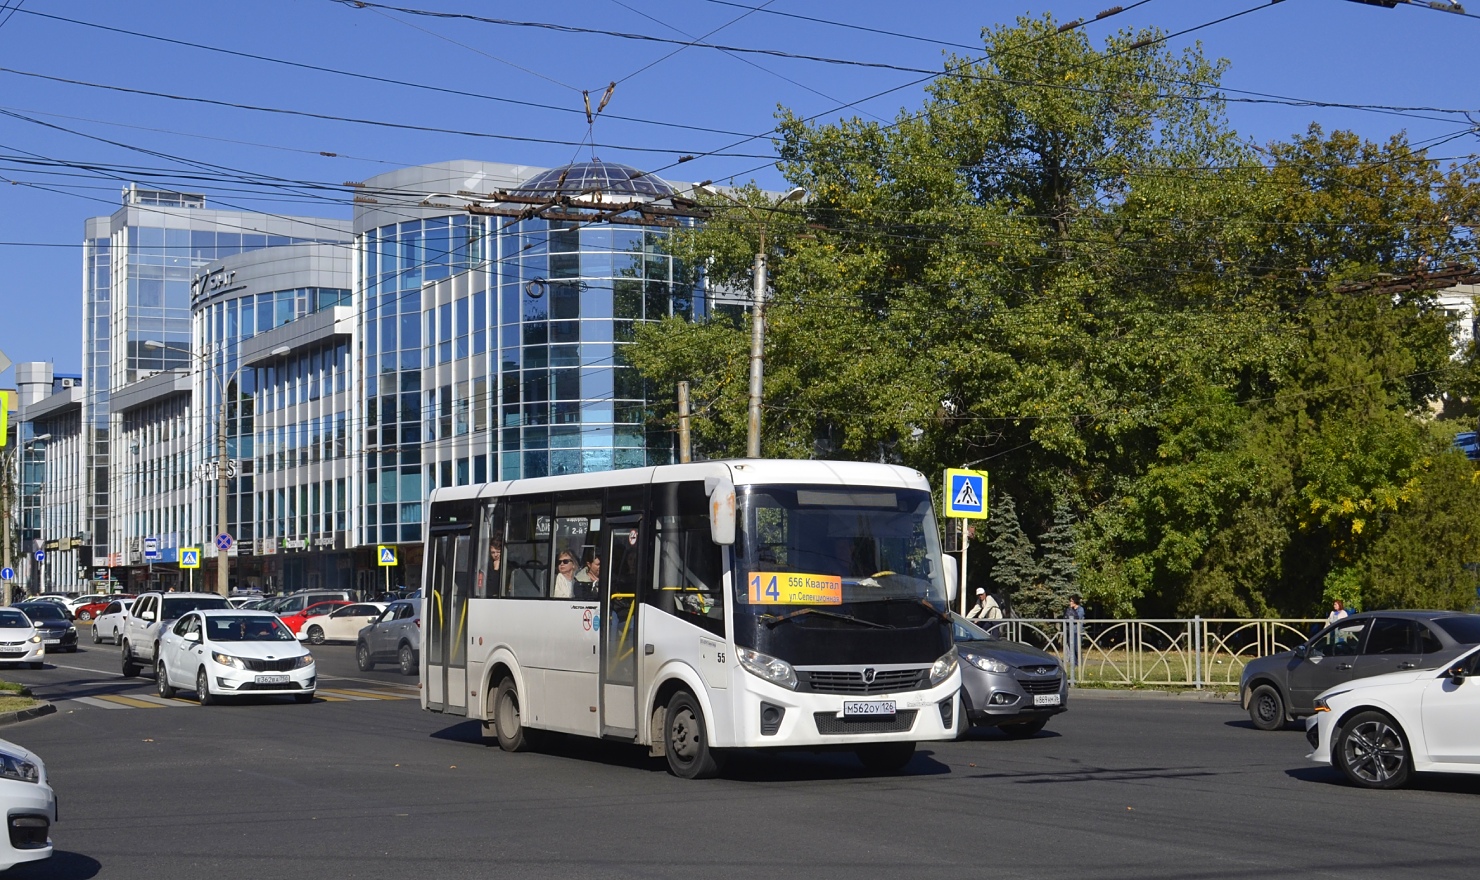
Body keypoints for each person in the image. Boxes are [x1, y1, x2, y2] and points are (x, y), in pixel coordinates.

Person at [1064, 595, 1085, 667]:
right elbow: (1066, 618)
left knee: (1077, 648)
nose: (1070, 603)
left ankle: (1079, 664)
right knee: (1072, 648)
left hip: (1077, 632)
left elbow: (1077, 618)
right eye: (1070, 601)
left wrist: (1072, 610)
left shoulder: (1080, 609)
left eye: (1072, 601)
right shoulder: (1069, 609)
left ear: (1075, 601)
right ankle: (1074, 664)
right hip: (1071, 631)